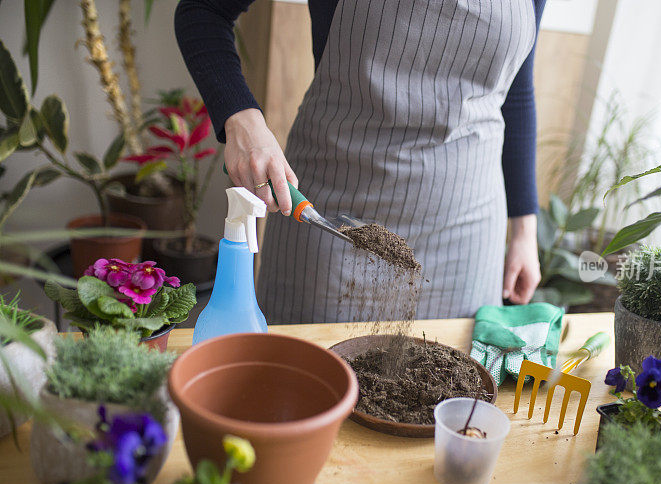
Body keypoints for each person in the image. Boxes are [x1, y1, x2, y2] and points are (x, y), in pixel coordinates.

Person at [175, 0, 545, 323]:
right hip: (332, 219)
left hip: (467, 230)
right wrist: (242, 120)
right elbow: (203, 10)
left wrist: (525, 233)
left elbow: (517, 90)